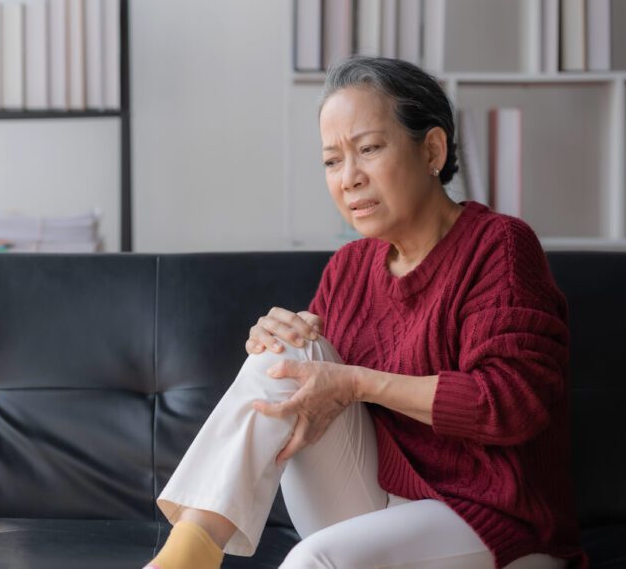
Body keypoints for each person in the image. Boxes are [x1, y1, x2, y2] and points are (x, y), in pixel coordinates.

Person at [143, 56, 588, 569]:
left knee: (313, 562)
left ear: (432, 150)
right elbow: (313, 380)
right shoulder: (350, 266)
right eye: (332, 160)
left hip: (495, 522)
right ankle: (188, 553)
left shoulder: (500, 246)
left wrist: (355, 382)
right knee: (289, 348)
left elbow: (508, 404)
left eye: (369, 149)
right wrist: (276, 342)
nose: (349, 178)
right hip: (378, 502)